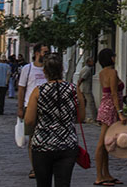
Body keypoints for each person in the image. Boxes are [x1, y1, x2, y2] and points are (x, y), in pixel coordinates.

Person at [25, 53, 85, 187]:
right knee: (63, 183)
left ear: (45, 71)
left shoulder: (38, 91)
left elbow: (29, 120)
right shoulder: (74, 90)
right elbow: (81, 117)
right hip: (67, 144)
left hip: (42, 144)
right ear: (61, 70)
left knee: (43, 183)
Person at [94, 48, 127, 186]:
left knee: (107, 143)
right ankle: (99, 176)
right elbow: (114, 93)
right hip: (110, 109)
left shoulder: (102, 73)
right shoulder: (112, 73)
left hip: (105, 107)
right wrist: (120, 112)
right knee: (102, 143)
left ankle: (106, 174)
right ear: (111, 58)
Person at [18, 43, 50, 180]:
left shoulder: (49, 69)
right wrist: (20, 108)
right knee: (32, 139)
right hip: (30, 107)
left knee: (47, 138)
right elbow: (21, 88)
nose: (47, 55)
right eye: (45, 52)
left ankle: (46, 165)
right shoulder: (28, 68)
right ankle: (35, 167)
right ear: (37, 53)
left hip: (48, 108)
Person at [77, 57, 97, 123]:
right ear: (88, 62)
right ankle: (95, 117)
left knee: (84, 103)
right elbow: (82, 78)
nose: (93, 63)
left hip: (83, 88)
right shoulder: (88, 69)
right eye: (92, 61)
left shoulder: (84, 68)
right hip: (86, 88)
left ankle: (82, 117)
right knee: (91, 103)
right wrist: (78, 85)